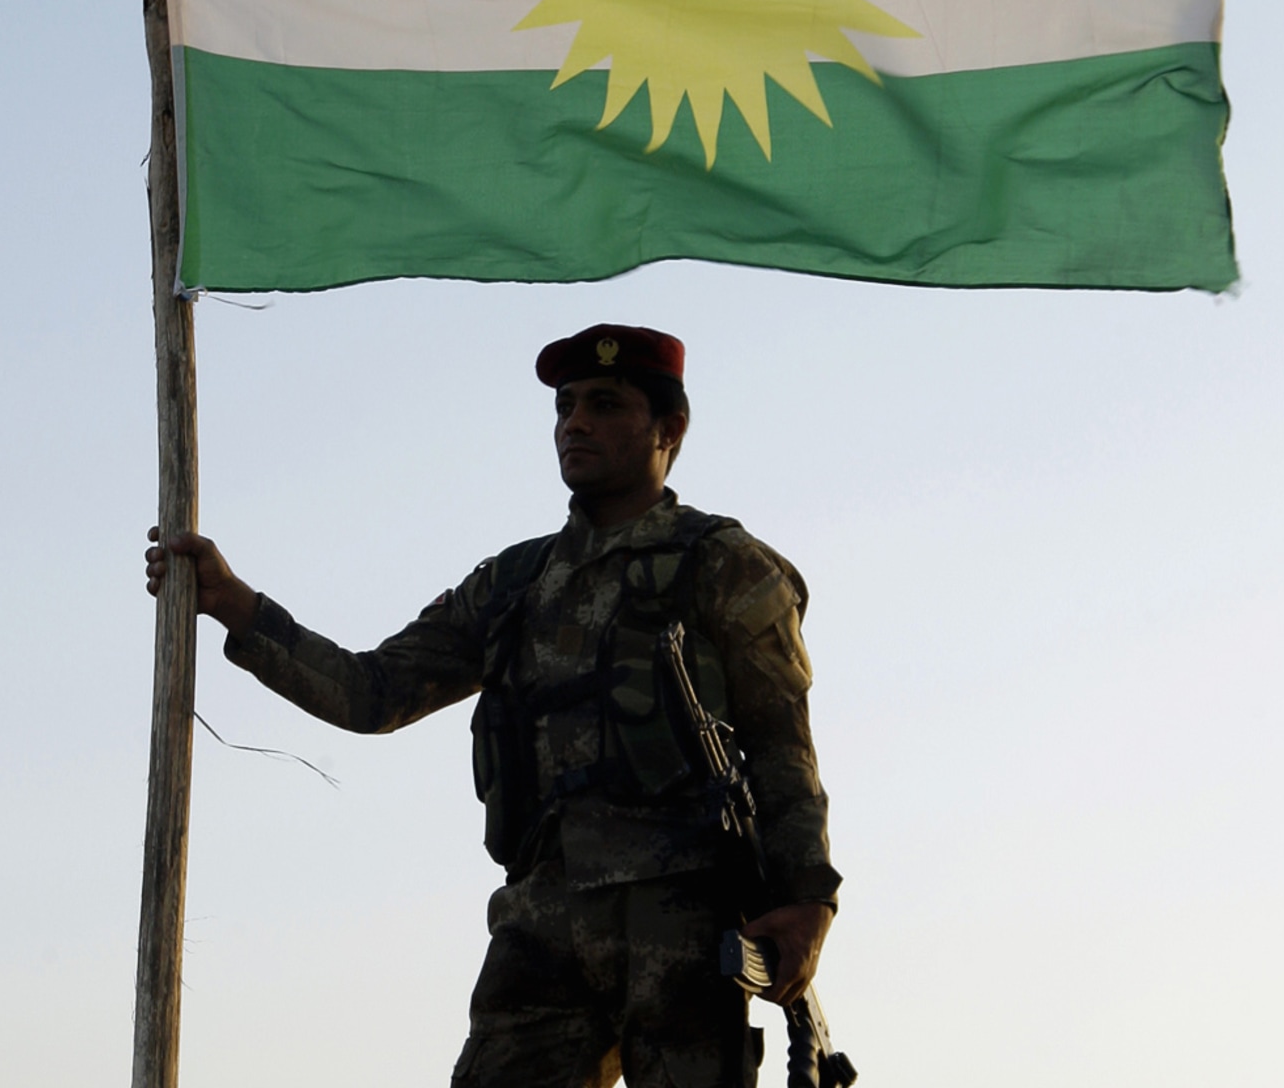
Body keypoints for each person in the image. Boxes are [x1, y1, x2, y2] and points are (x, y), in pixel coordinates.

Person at [146, 324, 839, 1088]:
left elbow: (782, 747)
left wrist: (810, 901)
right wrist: (237, 606)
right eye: (566, 406)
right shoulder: (513, 584)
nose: (575, 423)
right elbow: (372, 692)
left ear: (668, 429)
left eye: (604, 405)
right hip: (541, 925)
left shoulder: (725, 565)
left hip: (681, 917)